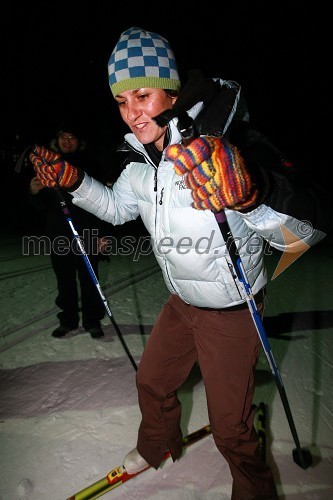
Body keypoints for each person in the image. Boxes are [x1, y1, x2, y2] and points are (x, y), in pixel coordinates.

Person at [30, 27, 331, 499]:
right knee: (151, 381)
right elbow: (115, 208)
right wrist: (74, 181)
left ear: (171, 91)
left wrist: (254, 194)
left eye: (143, 96)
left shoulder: (228, 149)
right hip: (181, 304)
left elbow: (305, 234)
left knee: (231, 430)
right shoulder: (138, 166)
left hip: (232, 313)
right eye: (121, 101)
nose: (132, 113)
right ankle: (155, 445)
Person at [29, 123, 107, 339]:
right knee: (65, 281)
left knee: (90, 279)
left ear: (79, 141)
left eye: (72, 137)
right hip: (59, 233)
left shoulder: (90, 164)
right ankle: (68, 321)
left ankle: (92, 321)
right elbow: (41, 205)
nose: (67, 141)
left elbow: (102, 201)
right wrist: (34, 192)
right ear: (56, 141)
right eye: (63, 137)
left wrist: (100, 234)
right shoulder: (47, 166)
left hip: (88, 231)